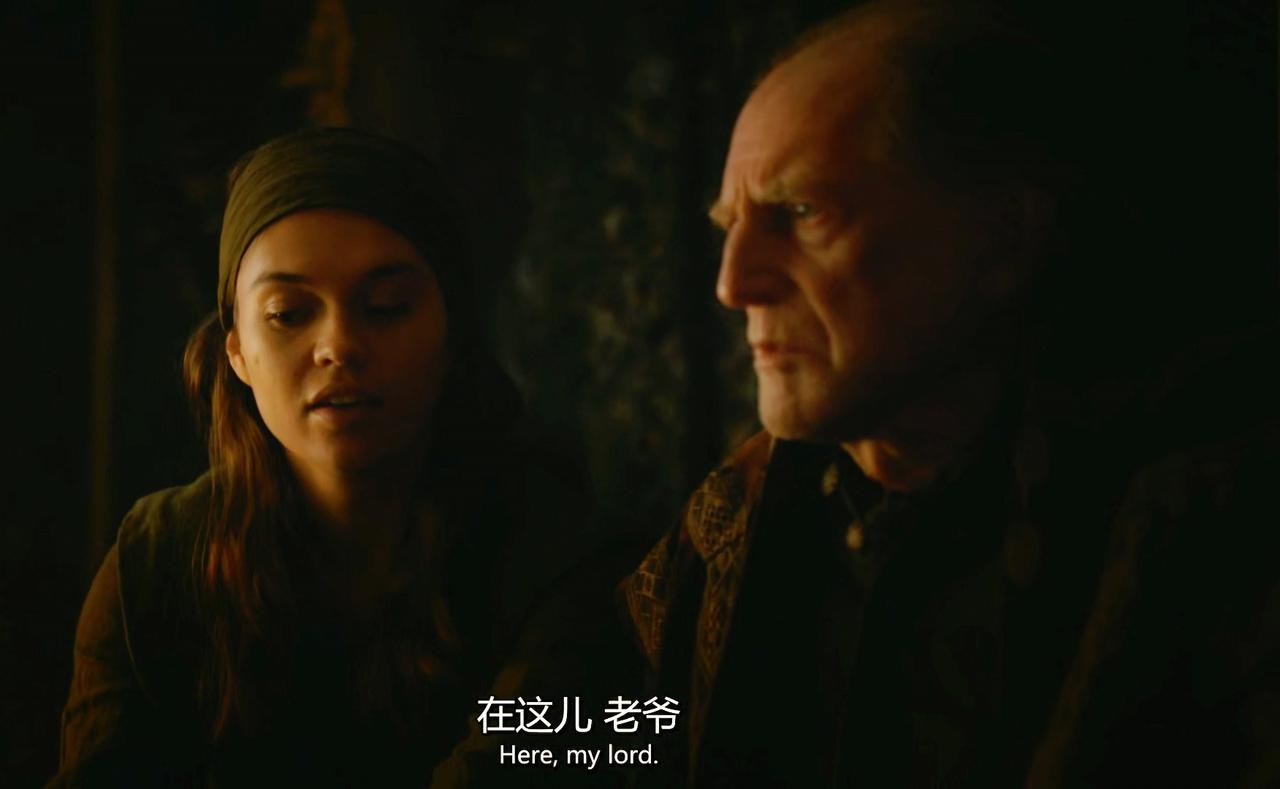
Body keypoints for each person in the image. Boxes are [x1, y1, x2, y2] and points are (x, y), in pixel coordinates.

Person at [620, 1, 1280, 786]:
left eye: (801, 212)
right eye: (730, 224)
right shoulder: (724, 526)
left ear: (1004, 240)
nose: (733, 285)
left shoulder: (1208, 537)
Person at [53, 127, 590, 786]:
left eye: (386, 307)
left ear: (452, 334)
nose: (338, 345)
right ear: (236, 351)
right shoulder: (157, 567)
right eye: (288, 313)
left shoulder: (554, 551)